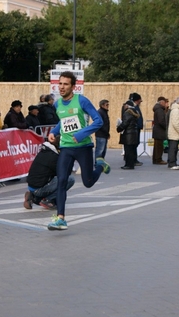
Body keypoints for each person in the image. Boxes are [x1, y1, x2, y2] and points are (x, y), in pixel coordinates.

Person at [46, 71, 110, 231]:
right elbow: (63, 122)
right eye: (60, 83)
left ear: (73, 87)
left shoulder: (81, 101)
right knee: (61, 181)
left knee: (88, 183)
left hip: (83, 147)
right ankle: (61, 219)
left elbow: (98, 121)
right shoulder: (57, 104)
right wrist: (53, 132)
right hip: (66, 147)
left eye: (65, 84)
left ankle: (101, 166)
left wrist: (81, 134)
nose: (61, 87)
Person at [24, 135, 75, 210]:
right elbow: (65, 172)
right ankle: (47, 200)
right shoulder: (54, 157)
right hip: (38, 188)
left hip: (32, 186)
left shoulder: (45, 151)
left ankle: (33, 197)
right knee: (69, 179)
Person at [117, 101, 140, 170]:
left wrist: (119, 128)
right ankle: (131, 164)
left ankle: (129, 165)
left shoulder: (127, 113)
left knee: (128, 150)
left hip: (128, 135)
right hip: (133, 133)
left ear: (127, 105)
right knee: (132, 150)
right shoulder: (135, 112)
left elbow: (125, 123)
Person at [167, 96, 179, 170]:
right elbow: (175, 123)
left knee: (175, 149)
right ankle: (172, 163)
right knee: (173, 148)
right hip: (174, 133)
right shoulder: (176, 111)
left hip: (176, 133)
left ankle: (173, 162)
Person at [152, 96, 167, 165]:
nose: (165, 104)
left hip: (157, 130)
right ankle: (158, 159)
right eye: (165, 102)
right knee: (159, 146)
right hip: (159, 131)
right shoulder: (160, 110)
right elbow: (161, 121)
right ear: (162, 102)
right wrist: (166, 126)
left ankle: (155, 159)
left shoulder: (157, 109)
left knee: (157, 146)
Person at [130, 93, 143, 166]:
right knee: (133, 144)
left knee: (135, 144)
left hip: (137, 128)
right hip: (135, 128)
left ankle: (134, 159)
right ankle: (133, 159)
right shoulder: (133, 107)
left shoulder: (136, 107)